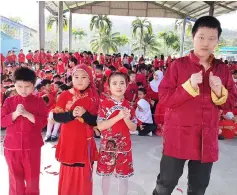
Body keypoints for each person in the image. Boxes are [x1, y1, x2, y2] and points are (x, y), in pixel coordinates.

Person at [152, 16, 237, 195]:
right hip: (178, 136)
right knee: (166, 183)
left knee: (199, 187)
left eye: (212, 38)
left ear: (218, 41)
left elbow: (231, 103)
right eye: (201, 37)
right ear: (193, 37)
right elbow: (165, 99)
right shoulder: (178, 66)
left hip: (207, 138)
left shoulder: (222, 69)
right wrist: (188, 87)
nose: (206, 43)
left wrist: (220, 91)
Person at [52, 64, 99, 195]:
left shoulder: (94, 98)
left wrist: (85, 114)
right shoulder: (65, 95)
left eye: (84, 77)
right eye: (76, 76)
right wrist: (71, 114)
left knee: (84, 178)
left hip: (85, 144)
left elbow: (96, 122)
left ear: (90, 79)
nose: (79, 80)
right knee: (67, 175)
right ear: (71, 78)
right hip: (68, 143)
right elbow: (57, 116)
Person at [1, 67, 48, 195]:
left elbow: (43, 122)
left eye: (27, 86)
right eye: (19, 86)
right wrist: (15, 114)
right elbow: (2, 121)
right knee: (15, 181)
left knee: (32, 180)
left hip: (32, 147)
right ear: (14, 84)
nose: (23, 90)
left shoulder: (39, 101)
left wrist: (27, 114)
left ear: (33, 85)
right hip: (12, 147)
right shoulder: (9, 101)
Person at [96, 71, 137, 195]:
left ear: (126, 85)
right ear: (109, 86)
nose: (118, 86)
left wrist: (126, 119)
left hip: (124, 147)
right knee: (106, 176)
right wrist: (118, 117)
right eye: (114, 83)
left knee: (123, 177)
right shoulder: (104, 104)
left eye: (122, 83)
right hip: (107, 147)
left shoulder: (129, 106)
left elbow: (134, 127)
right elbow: (101, 126)